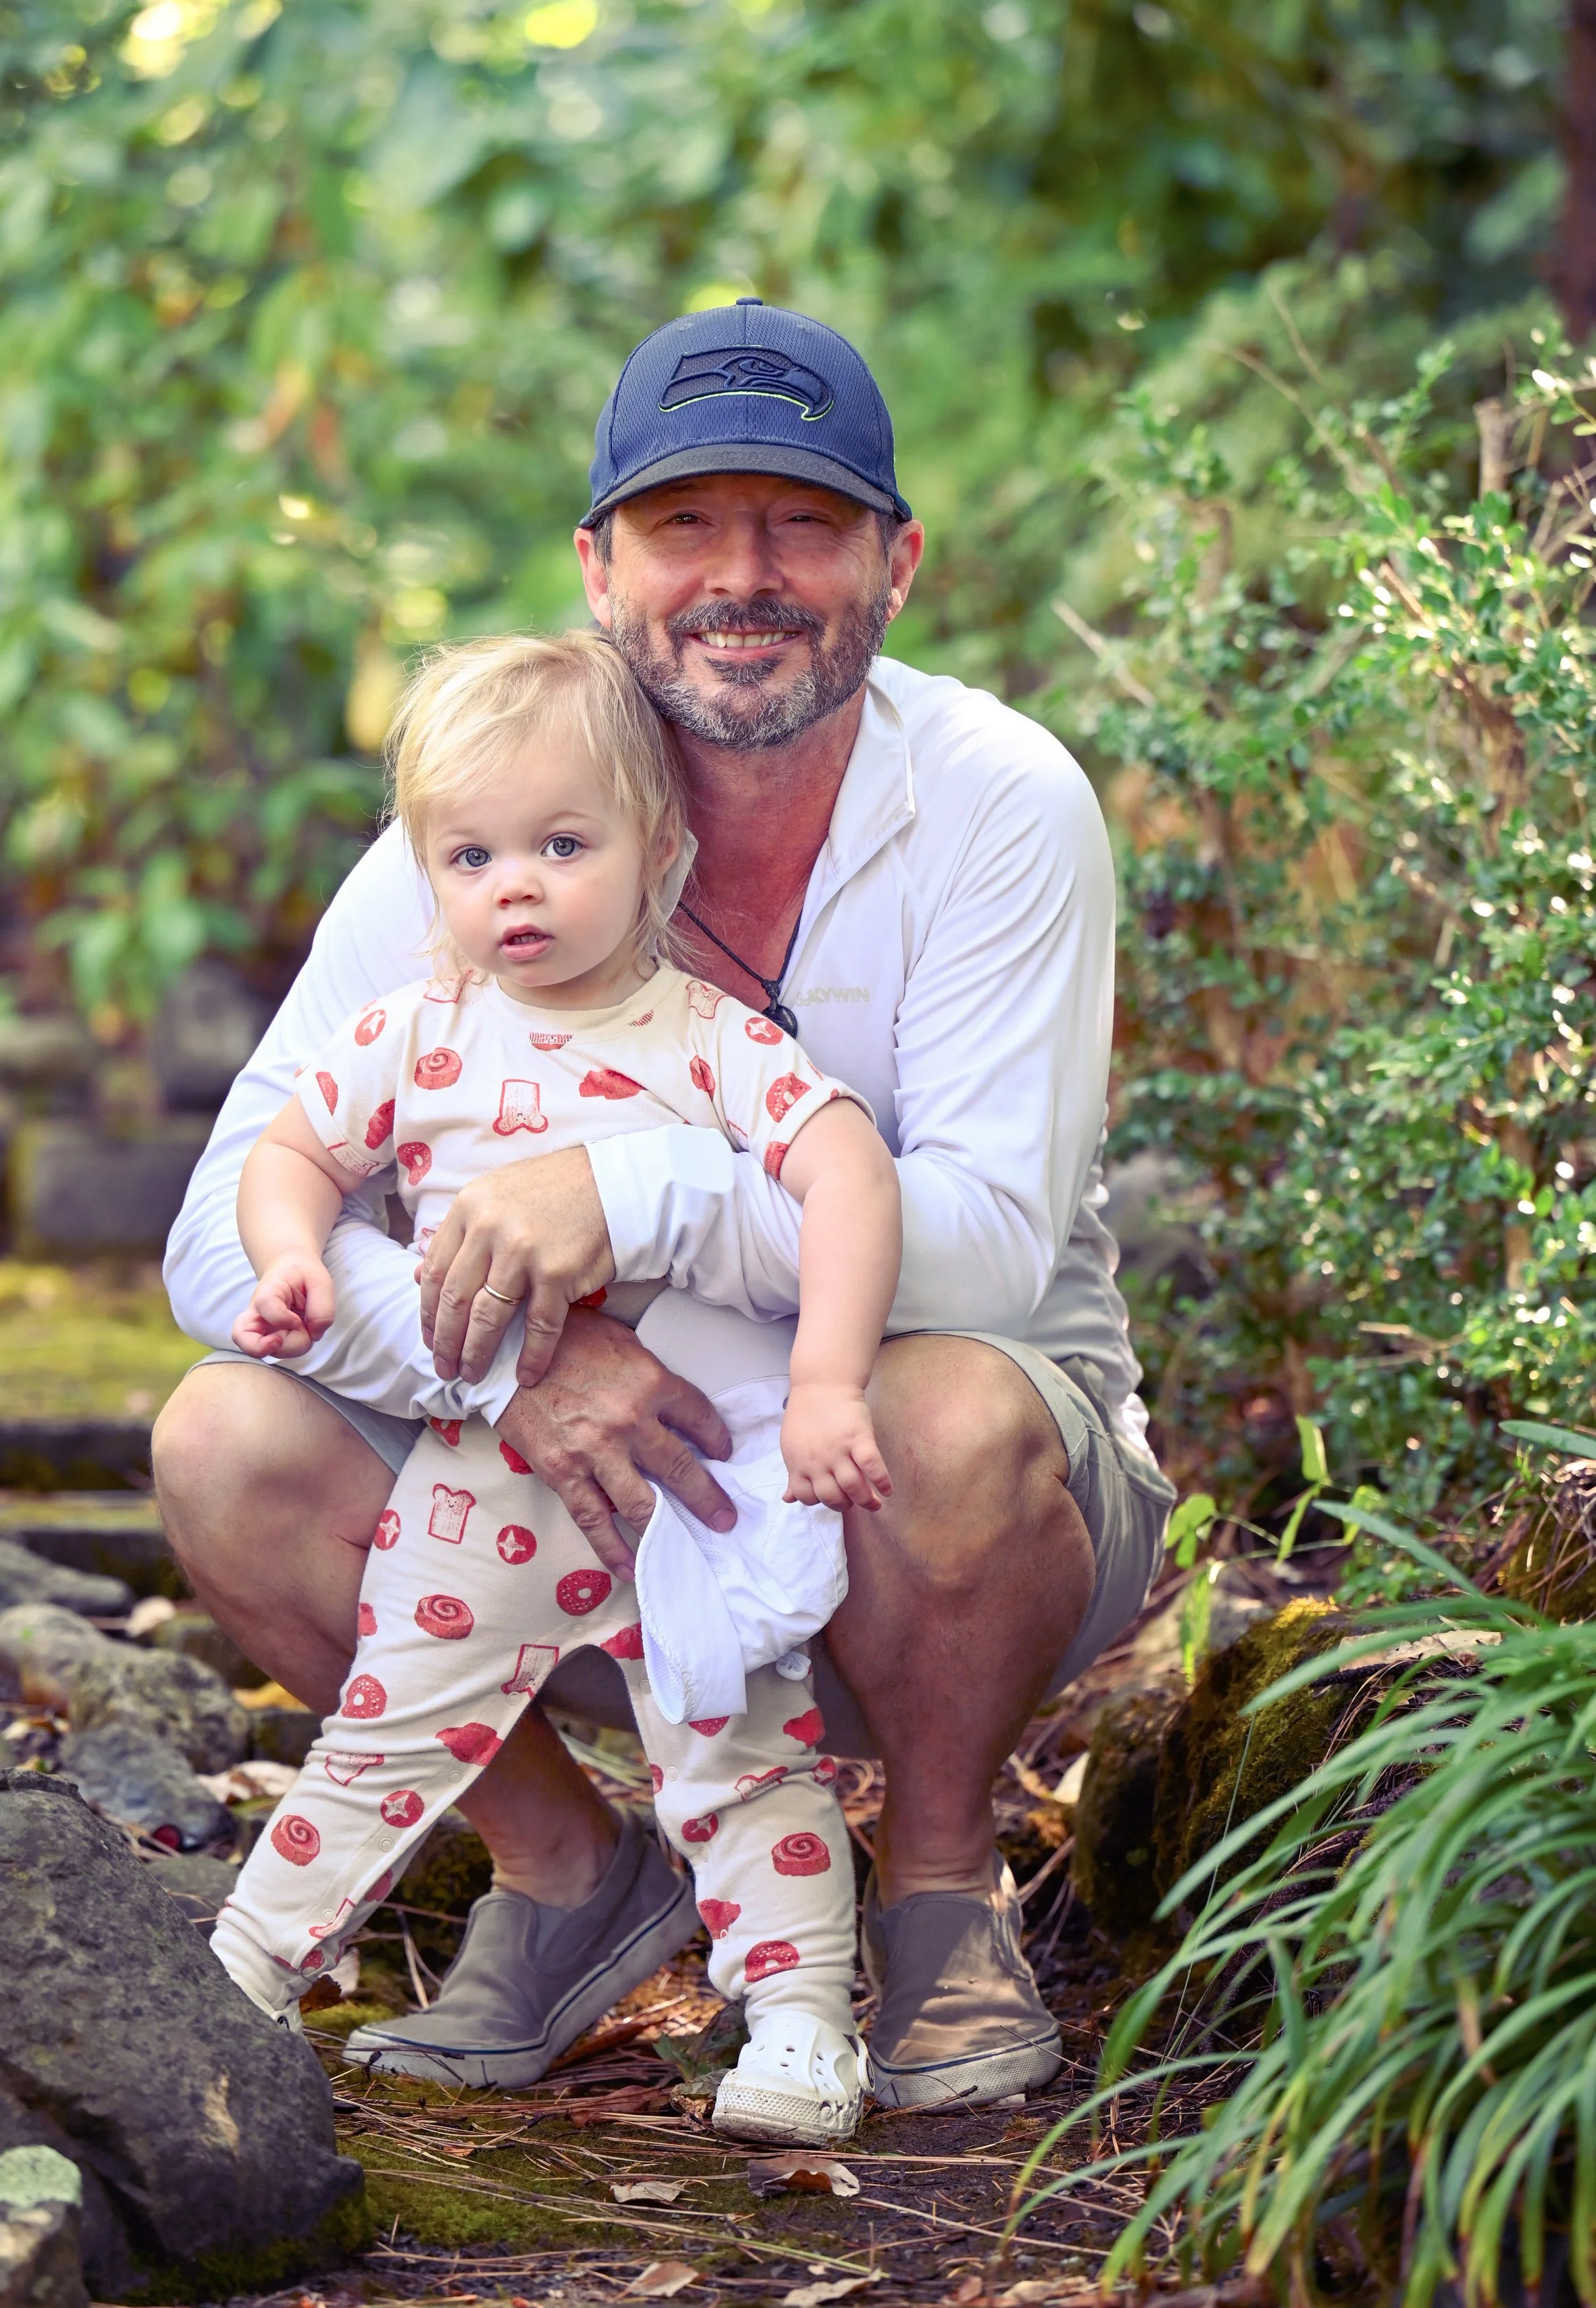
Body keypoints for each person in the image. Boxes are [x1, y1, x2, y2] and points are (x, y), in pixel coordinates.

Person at [159, 298, 1176, 2111]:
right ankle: (571, 1879)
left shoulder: (997, 802)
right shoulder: (483, 825)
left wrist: (636, 1201)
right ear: (598, 566)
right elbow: (218, 1228)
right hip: (551, 1507)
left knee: (943, 1400)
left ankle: (937, 1890)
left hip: (920, 1511)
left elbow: (988, 1249)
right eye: (683, 523)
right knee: (224, 1439)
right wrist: (513, 1362)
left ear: (895, 562)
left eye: (801, 523)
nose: (741, 575)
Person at [207, 629, 899, 2147]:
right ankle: (238, 1978)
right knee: (385, 1729)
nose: (512, 887)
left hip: (689, 1469)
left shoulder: (707, 1039)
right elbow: (292, 1153)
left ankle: (801, 2022)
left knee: (737, 1743)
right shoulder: (417, 1029)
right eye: (471, 856)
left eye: (561, 846)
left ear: (660, 851)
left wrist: (826, 1383)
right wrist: (294, 1258)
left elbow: (848, 1171)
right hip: (489, 1475)